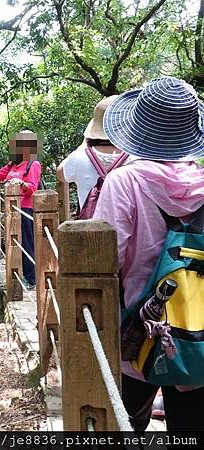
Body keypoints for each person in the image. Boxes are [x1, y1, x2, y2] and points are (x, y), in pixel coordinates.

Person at [92, 76, 204, 431]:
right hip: (196, 330)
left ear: (139, 129)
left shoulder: (124, 182)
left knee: (125, 425)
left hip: (138, 329)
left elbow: (101, 260)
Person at [0, 130, 42, 288]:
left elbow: (33, 188)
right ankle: (23, 275)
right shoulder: (13, 164)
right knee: (16, 243)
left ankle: (32, 279)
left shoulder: (34, 164)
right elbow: (0, 175)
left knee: (26, 244)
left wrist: (21, 183)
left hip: (25, 209)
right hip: (12, 210)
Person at [57, 95, 129, 216]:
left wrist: (83, 144)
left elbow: (60, 174)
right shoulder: (138, 159)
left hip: (91, 232)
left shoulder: (80, 157)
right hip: (128, 232)